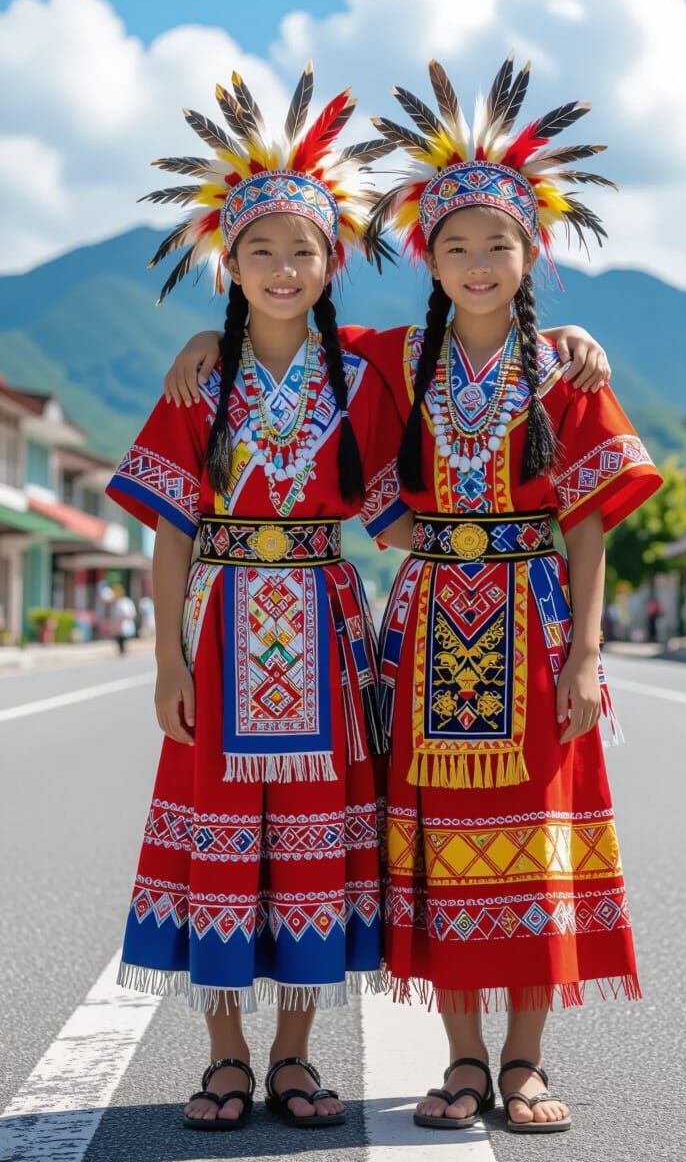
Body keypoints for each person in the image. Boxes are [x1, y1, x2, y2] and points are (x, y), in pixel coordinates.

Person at [358, 58, 662, 1135]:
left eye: (499, 242)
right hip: (431, 630)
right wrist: (211, 335)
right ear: (425, 257)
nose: (478, 261)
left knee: (536, 843)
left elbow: (586, 523)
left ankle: (526, 1062)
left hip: (533, 632)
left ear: (533, 254)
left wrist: (585, 653)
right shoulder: (391, 358)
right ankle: (463, 1063)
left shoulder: (564, 373)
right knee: (443, 849)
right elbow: (280, 330)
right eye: (456, 244)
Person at [107, 66, 409, 1133]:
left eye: (306, 249)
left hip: (325, 637)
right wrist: (164, 660)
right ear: (224, 262)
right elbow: (174, 528)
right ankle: (224, 1056)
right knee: (222, 842)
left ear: (335, 262)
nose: (284, 267)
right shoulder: (199, 381)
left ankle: (295, 1056)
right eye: (261, 249)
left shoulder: (365, 378)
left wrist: (569, 346)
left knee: (313, 846)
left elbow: (475, 326)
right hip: (223, 628)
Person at [111, 585, 137, 656]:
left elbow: (128, 613)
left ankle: (123, 651)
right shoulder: (118, 602)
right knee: (119, 638)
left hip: (124, 624)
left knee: (122, 638)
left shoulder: (124, 602)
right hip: (120, 624)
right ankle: (122, 651)